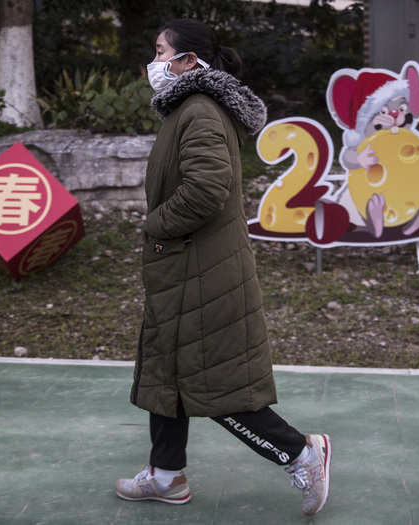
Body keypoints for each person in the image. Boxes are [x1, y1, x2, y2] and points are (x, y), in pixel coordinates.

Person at [114, 18, 331, 517]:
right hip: (184, 271)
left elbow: (206, 191)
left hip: (202, 273)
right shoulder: (186, 111)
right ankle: (167, 476)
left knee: (216, 386)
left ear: (189, 61)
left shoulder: (200, 113)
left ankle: (303, 452)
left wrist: (156, 225)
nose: (154, 61)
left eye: (160, 50)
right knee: (166, 374)